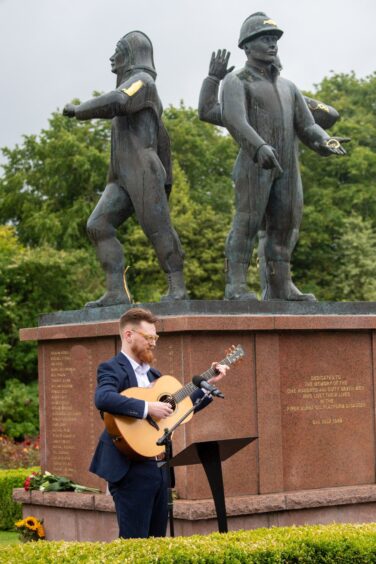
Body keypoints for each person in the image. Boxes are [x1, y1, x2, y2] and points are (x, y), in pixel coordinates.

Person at [199, 13, 348, 301]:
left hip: (288, 166)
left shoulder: (289, 87)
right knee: (247, 223)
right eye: (265, 39)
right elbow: (234, 119)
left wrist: (324, 141)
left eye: (275, 39)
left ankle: (281, 285)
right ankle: (236, 285)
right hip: (255, 164)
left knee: (285, 227)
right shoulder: (236, 80)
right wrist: (257, 147)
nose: (272, 44)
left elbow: (307, 125)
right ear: (247, 46)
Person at [63, 31, 187, 307]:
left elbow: (118, 101)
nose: (112, 57)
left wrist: (80, 110)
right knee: (98, 225)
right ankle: (116, 291)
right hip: (121, 175)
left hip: (143, 170)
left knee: (157, 228)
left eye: (117, 50)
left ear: (131, 55)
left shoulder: (142, 82)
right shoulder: (135, 83)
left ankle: (176, 286)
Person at [89, 307, 228, 538]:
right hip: (129, 466)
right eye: (149, 337)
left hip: (160, 466)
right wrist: (146, 408)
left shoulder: (155, 375)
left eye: (156, 337)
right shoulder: (112, 368)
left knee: (157, 542)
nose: (154, 343)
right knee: (135, 544)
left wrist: (207, 385)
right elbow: (102, 398)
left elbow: (176, 410)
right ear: (128, 335)